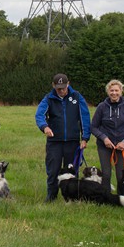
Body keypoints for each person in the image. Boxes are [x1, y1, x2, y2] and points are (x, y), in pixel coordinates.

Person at [35, 73, 91, 202]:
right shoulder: (48, 98)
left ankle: (73, 198)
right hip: (54, 142)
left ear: (68, 84)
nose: (61, 91)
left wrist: (85, 138)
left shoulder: (77, 97)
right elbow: (39, 115)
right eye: (58, 88)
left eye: (64, 88)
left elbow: (85, 117)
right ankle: (51, 196)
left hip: (72, 142)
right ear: (53, 86)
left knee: (72, 170)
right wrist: (45, 127)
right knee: (53, 170)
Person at [90, 79, 124, 192]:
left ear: (121, 91)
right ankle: (106, 197)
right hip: (104, 146)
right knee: (106, 174)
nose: (114, 93)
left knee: (121, 174)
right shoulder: (102, 107)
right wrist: (104, 138)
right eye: (111, 90)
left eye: (117, 90)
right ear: (108, 92)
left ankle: (122, 197)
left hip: (121, 146)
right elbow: (93, 127)